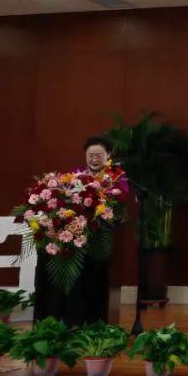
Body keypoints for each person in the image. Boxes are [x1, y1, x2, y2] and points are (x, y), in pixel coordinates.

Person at [34, 135, 128, 325]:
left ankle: (91, 320)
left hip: (98, 238)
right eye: (90, 155)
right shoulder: (76, 174)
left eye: (98, 155)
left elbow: (121, 198)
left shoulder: (117, 177)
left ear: (108, 155)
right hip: (76, 234)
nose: (94, 159)